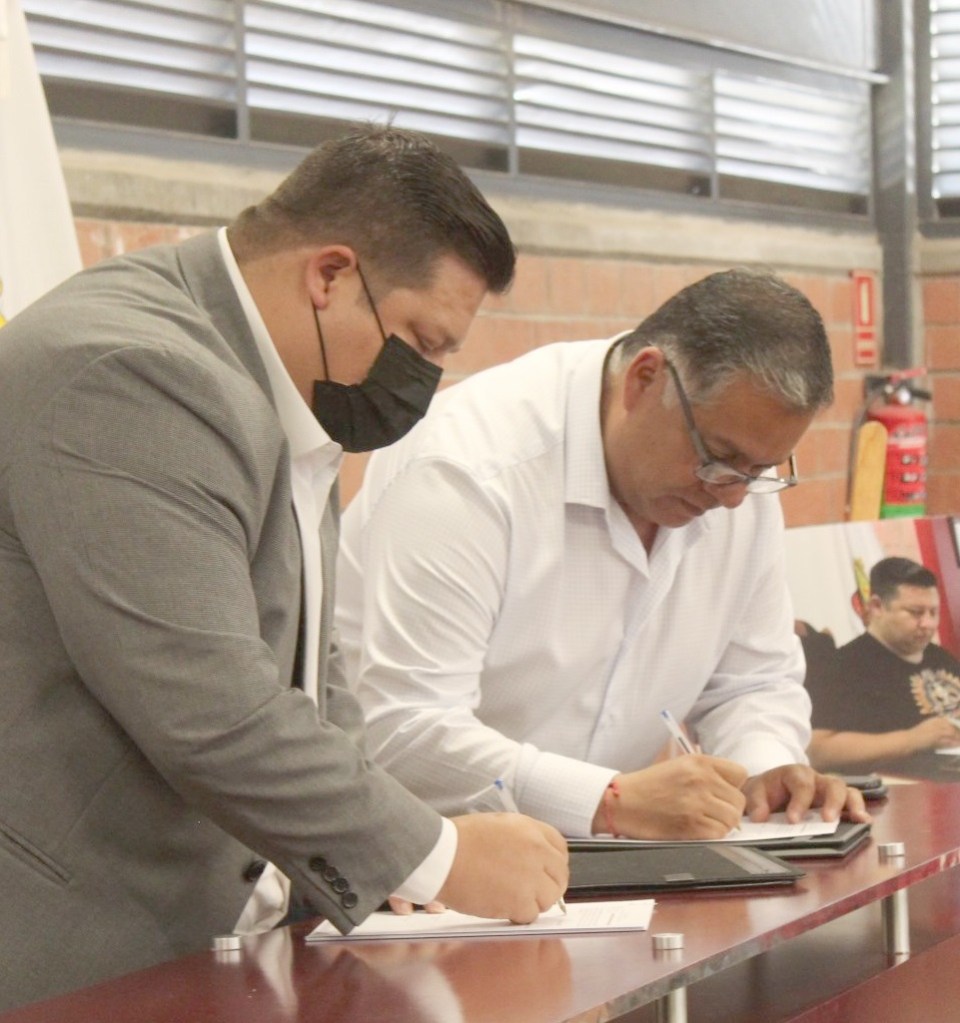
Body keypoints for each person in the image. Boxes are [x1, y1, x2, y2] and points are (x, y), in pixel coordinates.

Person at [0, 124, 568, 1012]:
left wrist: (378, 859)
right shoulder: (134, 371)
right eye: (421, 342)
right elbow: (208, 705)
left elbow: (310, 672)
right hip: (83, 950)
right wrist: (437, 853)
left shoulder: (282, 381)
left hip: (229, 937)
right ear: (329, 275)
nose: (421, 380)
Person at [336, 268, 869, 844]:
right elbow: (407, 728)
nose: (734, 496)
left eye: (760, 471)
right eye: (718, 457)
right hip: (417, 860)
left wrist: (764, 770)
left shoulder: (736, 485)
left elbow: (751, 681)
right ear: (644, 379)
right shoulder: (469, 471)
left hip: (611, 865)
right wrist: (608, 801)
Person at [807, 557, 960, 778]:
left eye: (933, 613)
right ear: (877, 606)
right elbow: (817, 751)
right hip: (903, 789)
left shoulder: (940, 657)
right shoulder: (842, 667)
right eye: (915, 612)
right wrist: (913, 739)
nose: (927, 623)